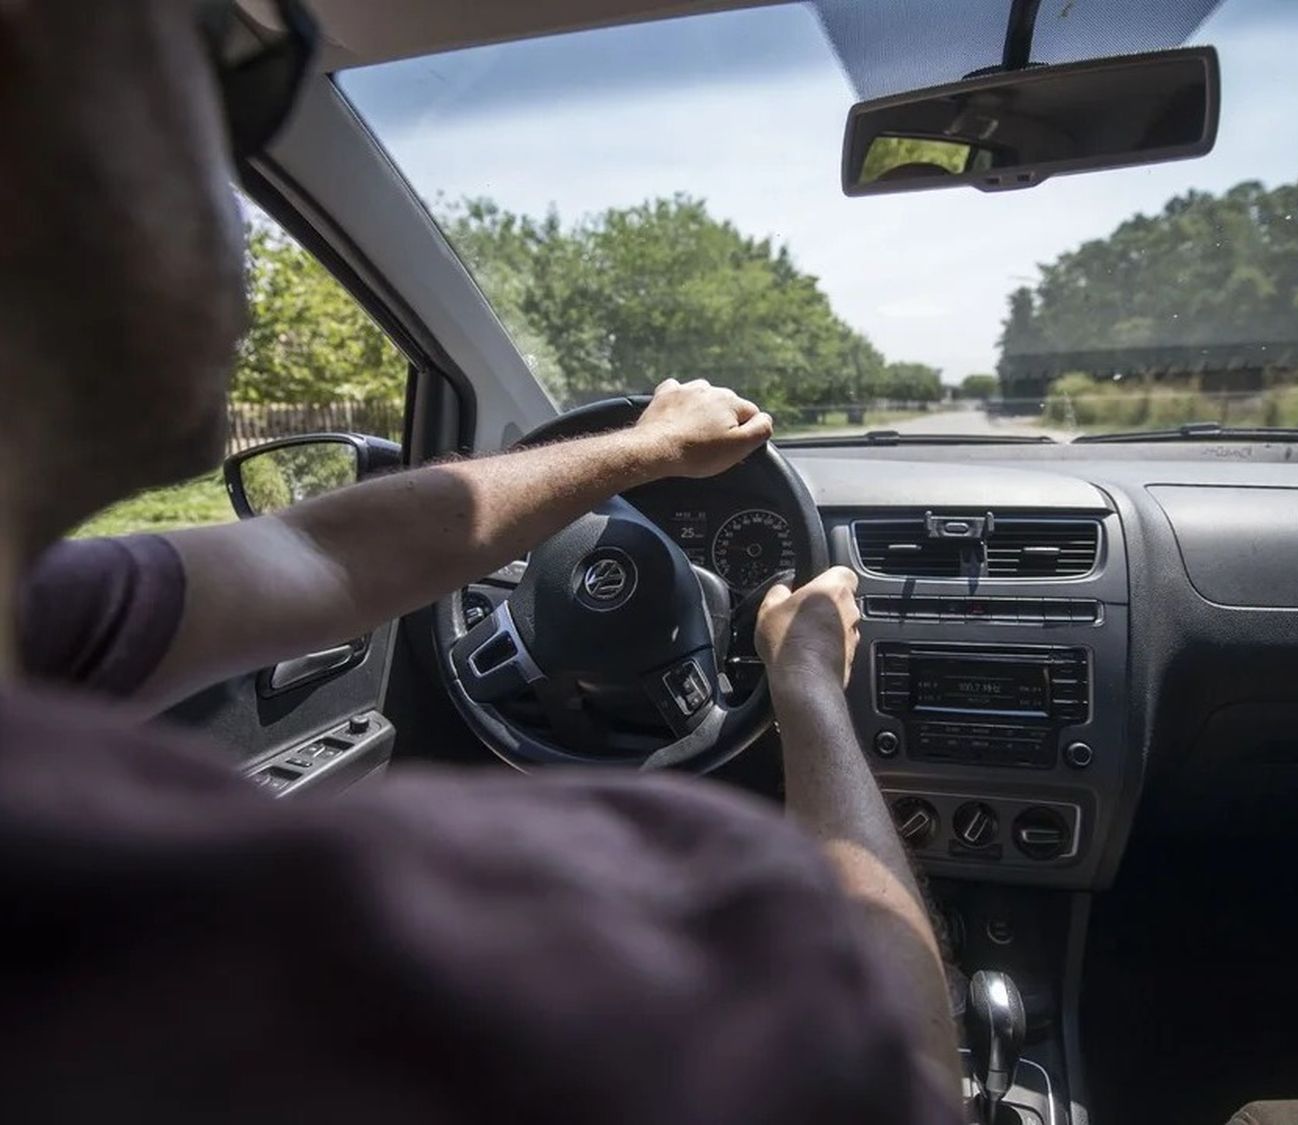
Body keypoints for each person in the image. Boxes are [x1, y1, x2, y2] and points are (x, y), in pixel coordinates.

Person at [0, 2, 960, 1122]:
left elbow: (317, 550)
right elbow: (915, 1080)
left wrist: (644, 452)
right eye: (227, 57)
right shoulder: (570, 961)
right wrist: (806, 699)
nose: (226, 154)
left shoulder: (45, 622)